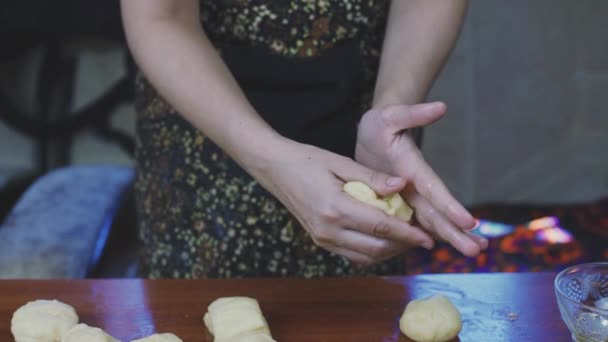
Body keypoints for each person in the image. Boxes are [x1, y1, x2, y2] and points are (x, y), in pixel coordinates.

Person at [120, 0, 488, 279]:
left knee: (360, 312)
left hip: (365, 104)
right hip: (205, 121)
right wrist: (267, 156)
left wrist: (392, 108)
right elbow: (160, 16)